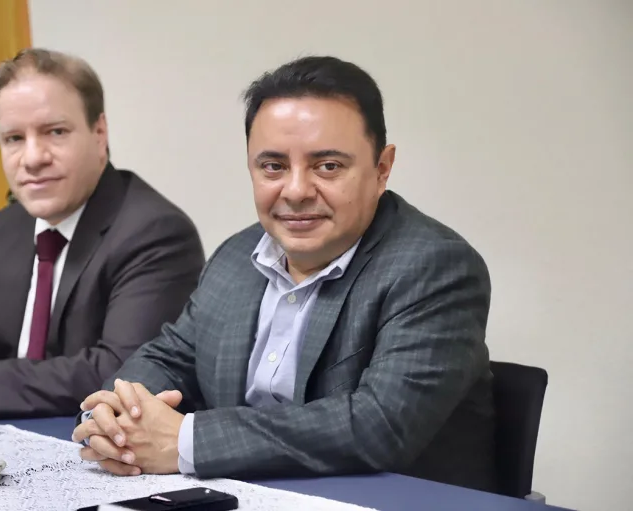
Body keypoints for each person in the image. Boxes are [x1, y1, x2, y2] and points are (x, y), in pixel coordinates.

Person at [72, 55, 496, 491]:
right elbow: (168, 358)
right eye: (273, 166)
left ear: (381, 169)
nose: (295, 191)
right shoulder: (237, 256)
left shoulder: (435, 267)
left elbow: (380, 425)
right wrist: (115, 418)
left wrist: (184, 440)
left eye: (328, 166)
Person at [0, 48, 205, 419]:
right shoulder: (2, 229)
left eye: (55, 132)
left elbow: (122, 372)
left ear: (99, 133)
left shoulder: (155, 233)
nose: (32, 158)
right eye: (14, 138)